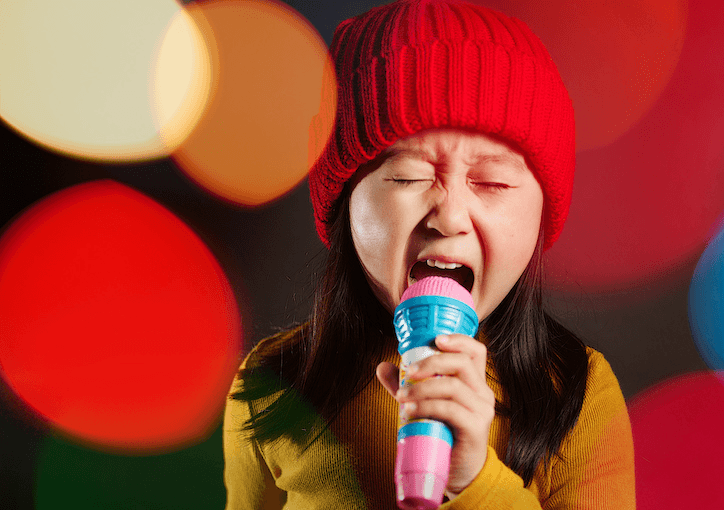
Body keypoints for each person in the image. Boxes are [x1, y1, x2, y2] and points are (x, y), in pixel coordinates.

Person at [223, 0, 635, 508]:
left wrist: (476, 481)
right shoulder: (271, 381)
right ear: (344, 202)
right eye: (409, 177)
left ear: (540, 216)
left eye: (492, 181)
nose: (450, 217)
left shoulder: (579, 392)